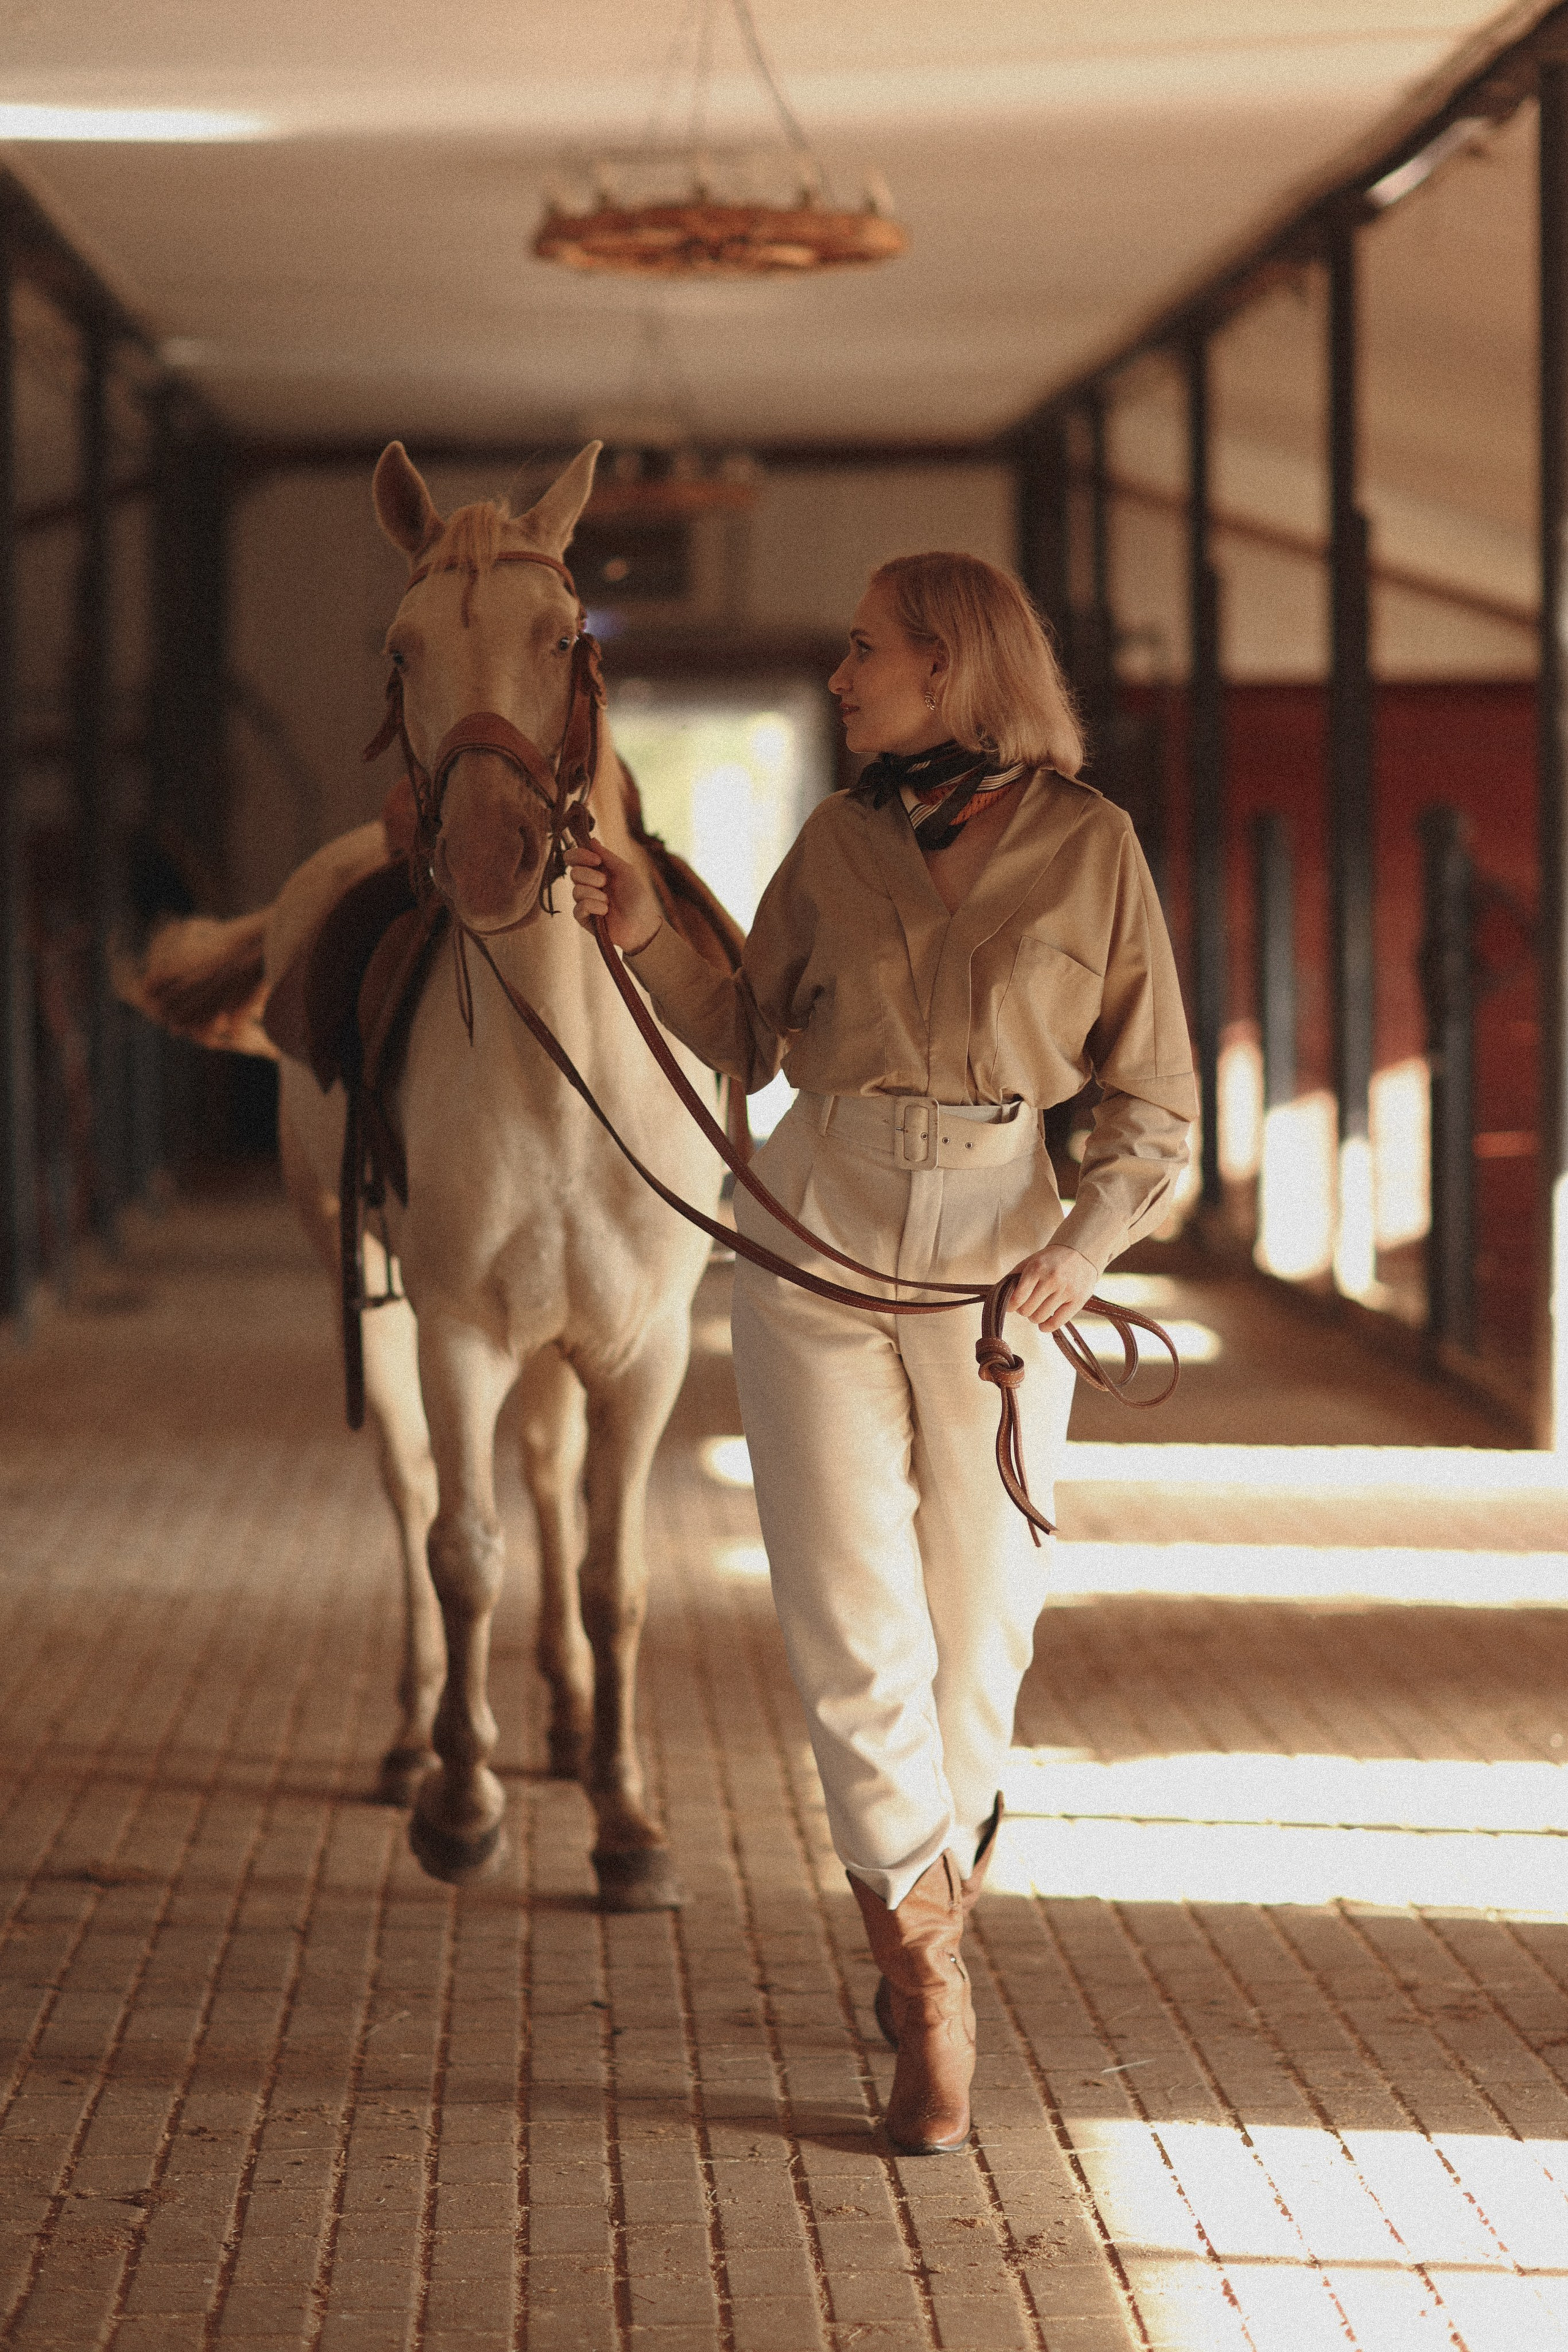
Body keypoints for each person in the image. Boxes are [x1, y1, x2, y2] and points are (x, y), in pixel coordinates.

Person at [567, 551, 1194, 2155]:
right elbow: (744, 1027)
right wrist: (641, 927)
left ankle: (930, 1885)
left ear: (950, 667)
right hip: (818, 1239)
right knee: (855, 1630)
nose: (842, 678)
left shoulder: (1094, 849)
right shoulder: (837, 844)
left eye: (865, 652)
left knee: (981, 1634)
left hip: (1009, 1263)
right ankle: (926, 1985)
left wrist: (1083, 1249)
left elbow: (1152, 1102)